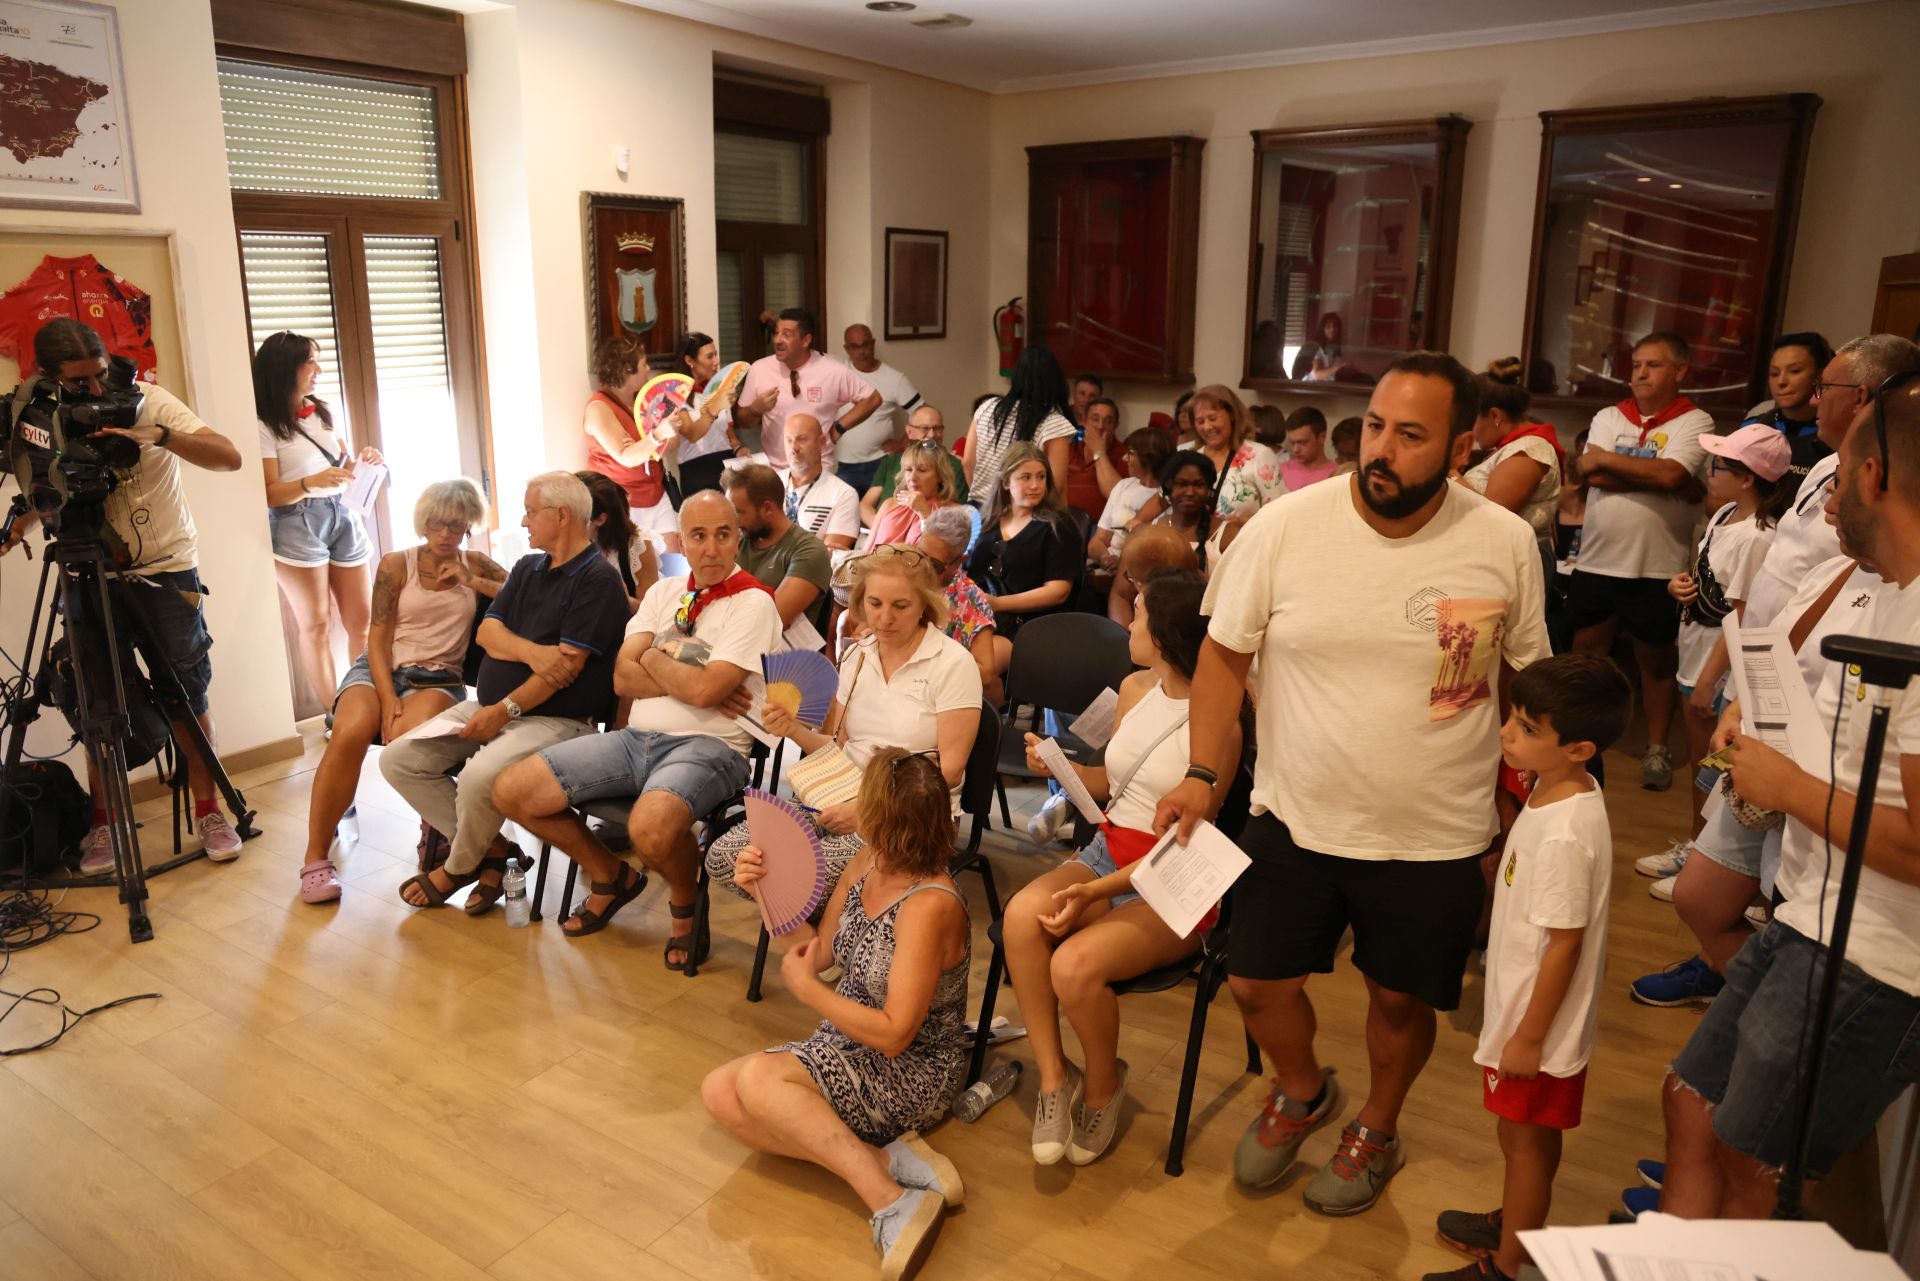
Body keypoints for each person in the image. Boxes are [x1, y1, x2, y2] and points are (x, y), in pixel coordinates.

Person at [1157, 352, 1550, 1218]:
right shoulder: (1287, 526)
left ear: (1458, 449)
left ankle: (1378, 1122)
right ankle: (1302, 1089)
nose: (1383, 448)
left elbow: (1525, 676)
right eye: (1375, 425)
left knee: (1398, 1000)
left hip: (1434, 829)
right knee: (1256, 981)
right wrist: (1198, 773)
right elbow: (1223, 655)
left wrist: (1538, 803)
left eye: (1412, 436)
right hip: (1294, 813)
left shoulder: (1502, 542)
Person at [1661, 374, 1920, 1221]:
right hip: (1814, 909)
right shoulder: (1881, 585)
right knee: (1691, 1102)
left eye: (1840, 474)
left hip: (1875, 954)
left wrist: (1788, 787)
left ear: (1877, 476)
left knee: (1756, 1163)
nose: (1825, 493)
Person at [1626, 335, 1920, 1009]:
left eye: (1827, 386)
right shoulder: (1824, 479)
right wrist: (1741, 695)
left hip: (1817, 763)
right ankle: (1746, 994)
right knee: (1708, 894)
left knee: (1775, 904)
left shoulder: (1898, 587)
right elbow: (1793, 599)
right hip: (1773, 724)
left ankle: (1759, 1010)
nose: (1813, 395)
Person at [701, 749, 971, 1280]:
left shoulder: (930, 904)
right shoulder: (867, 861)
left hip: (913, 1069)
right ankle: (884, 1160)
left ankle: (891, 1200)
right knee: (719, 1093)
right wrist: (764, 891)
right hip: (847, 1040)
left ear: (877, 818)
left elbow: (895, 1036)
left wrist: (811, 995)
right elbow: (817, 954)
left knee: (757, 1081)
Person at [1005, 568, 1235, 1167]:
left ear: (1161, 634)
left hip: (1173, 877)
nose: (1127, 623)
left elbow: (1188, 840)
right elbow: (1115, 784)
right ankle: (1055, 1078)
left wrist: (1092, 893)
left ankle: (1104, 1083)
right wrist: (1059, 767)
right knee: (1021, 914)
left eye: (1136, 615)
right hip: (1111, 850)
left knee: (1074, 966)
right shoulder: (1133, 689)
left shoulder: (1222, 723)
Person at [491, 489, 783, 960]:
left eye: (723, 535)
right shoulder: (666, 592)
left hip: (710, 746)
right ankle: (611, 874)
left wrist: (651, 656)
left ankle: (686, 901)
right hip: (634, 740)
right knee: (511, 790)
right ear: (681, 541)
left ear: (737, 540)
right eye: (699, 536)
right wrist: (684, 675)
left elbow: (705, 694)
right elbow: (622, 676)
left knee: (650, 830)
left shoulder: (753, 602)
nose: (711, 548)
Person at [3, 319, 247, 868]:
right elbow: (49, 485)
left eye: (100, 374)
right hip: (89, 575)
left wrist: (157, 435)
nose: (94, 390)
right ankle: (105, 823)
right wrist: (21, 523)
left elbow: (228, 456)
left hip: (165, 571)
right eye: (79, 381)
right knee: (98, 703)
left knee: (185, 695)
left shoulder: (150, 399)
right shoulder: (42, 413)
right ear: (50, 376)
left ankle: (210, 810)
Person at [1425, 655, 1630, 1281]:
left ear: (1580, 748)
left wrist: (1530, 1036)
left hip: (1537, 1027)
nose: (1508, 735)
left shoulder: (1565, 831)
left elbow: (1565, 944)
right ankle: (1518, 1220)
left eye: (1527, 729)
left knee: (1525, 1143)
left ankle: (1509, 1263)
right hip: (1524, 1012)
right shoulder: (1556, 790)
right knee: (1522, 1140)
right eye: (1512, 719)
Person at [380, 472, 631, 912]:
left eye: (531, 511)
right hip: (495, 707)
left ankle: (459, 867)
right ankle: (494, 850)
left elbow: (564, 672)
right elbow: (489, 634)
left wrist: (505, 709)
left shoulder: (597, 579)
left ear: (562, 515)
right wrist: (534, 654)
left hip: (557, 722)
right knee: (399, 759)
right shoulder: (529, 567)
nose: (523, 520)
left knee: (480, 776)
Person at [705, 543, 980, 899]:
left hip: (913, 813)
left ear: (924, 606)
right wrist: (792, 730)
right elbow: (839, 748)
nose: (884, 618)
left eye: (900, 606)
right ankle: (828, 924)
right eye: (874, 604)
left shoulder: (953, 664)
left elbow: (950, 773)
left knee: (793, 875)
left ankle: (829, 930)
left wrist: (868, 811)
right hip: (841, 794)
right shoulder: (857, 657)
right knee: (725, 856)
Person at [296, 480, 504, 904]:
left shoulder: (477, 563)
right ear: (423, 522)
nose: (444, 533)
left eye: (454, 523)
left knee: (412, 745)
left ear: (468, 523)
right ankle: (316, 859)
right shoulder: (396, 564)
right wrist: (388, 696)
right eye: (436, 523)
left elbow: (527, 598)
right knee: (349, 732)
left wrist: (473, 581)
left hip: (440, 678)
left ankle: (437, 828)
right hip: (379, 671)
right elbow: (377, 636)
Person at [1563, 331, 1714, 791]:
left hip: (1658, 566)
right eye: (1637, 366)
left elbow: (1673, 473)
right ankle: (1578, 737)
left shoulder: (1696, 421)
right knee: (1587, 653)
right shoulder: (1610, 415)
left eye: (1653, 365)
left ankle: (1657, 749)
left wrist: (1611, 463)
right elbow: (1588, 471)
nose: (1641, 373)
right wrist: (1663, 478)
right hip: (1597, 560)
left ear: (1680, 371)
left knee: (1656, 662)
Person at [1669, 425, 1788, 838]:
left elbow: (1742, 615)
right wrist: (1680, 586)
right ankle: (1692, 840)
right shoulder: (1722, 514)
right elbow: (1711, 580)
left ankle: (1702, 847)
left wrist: (1708, 681)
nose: (1709, 472)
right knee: (1697, 757)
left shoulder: (1758, 537)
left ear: (1747, 477)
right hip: (1695, 654)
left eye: (1717, 465)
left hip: (1719, 673)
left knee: (1713, 767)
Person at [252, 330, 382, 704]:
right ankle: (335, 712)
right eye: (310, 361)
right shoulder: (263, 424)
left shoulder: (322, 412)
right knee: (316, 625)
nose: (318, 370)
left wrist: (365, 461)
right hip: (296, 522)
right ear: (285, 369)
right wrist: (310, 483)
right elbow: (269, 493)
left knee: (362, 621)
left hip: (343, 514)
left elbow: (343, 466)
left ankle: (366, 702)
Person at [967, 443, 1083, 671]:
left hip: (1030, 624)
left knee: (975, 665)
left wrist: (998, 604)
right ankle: (995, 701)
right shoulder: (987, 519)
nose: (1035, 485)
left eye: (1041, 477)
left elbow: (1058, 592)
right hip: (981, 617)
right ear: (1005, 482)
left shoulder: (1058, 525)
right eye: (1026, 477)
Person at [734, 308, 879, 471]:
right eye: (776, 333)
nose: (778, 340)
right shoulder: (759, 369)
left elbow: (872, 398)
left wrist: (839, 427)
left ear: (806, 340)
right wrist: (755, 410)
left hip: (818, 468)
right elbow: (744, 422)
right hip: (774, 470)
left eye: (787, 334)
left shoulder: (831, 370)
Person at [583, 332, 679, 552]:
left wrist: (647, 443)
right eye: (644, 364)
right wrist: (655, 437)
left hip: (656, 491)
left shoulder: (642, 402)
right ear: (627, 369)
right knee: (635, 567)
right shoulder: (599, 408)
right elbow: (626, 457)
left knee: (674, 561)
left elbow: (670, 445)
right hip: (623, 501)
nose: (648, 369)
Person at [728, 462, 834, 642]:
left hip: (779, 662)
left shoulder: (810, 550)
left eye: (739, 513)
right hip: (733, 644)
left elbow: (768, 620)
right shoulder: (738, 540)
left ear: (768, 509)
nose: (733, 522)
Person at [1461, 360, 1562, 547]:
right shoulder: (1512, 447)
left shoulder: (1530, 451)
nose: (1469, 430)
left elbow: (1492, 516)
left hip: (1517, 555)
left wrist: (1450, 471)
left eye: (1471, 419)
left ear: (1495, 416)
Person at [962, 345, 1076, 504]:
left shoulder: (987, 406)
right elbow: (1055, 487)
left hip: (977, 510)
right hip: (1022, 516)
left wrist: (985, 498)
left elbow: (968, 462)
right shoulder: (1054, 424)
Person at [920, 505, 1003, 704]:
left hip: (938, 694)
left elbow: (986, 673)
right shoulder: (906, 572)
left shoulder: (970, 599)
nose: (923, 569)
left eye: (936, 565)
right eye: (920, 555)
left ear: (959, 561)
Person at [833, 323, 922, 496]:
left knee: (882, 514)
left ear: (873, 344)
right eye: (855, 346)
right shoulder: (837, 369)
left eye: (866, 344)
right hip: (841, 464)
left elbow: (921, 412)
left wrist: (902, 443)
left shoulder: (894, 379)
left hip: (880, 463)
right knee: (843, 517)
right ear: (847, 348)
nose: (862, 351)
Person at [1740, 331, 1833, 497]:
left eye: (1795, 371)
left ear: (1821, 375)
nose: (1781, 382)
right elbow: (1718, 499)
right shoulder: (1753, 428)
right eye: (1774, 373)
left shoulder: (1836, 437)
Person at [661, 330, 741, 498]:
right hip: (697, 471)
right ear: (690, 361)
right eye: (709, 357)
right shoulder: (673, 393)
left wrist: (739, 448)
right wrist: (715, 408)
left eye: (716, 355)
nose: (716, 362)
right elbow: (692, 433)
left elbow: (729, 432)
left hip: (727, 464)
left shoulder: (718, 387)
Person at [1189, 383, 1283, 522]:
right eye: (1200, 421)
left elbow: (1280, 511)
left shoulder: (1259, 456)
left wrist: (1243, 522)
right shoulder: (1190, 458)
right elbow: (1163, 497)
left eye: (1213, 418)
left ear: (1232, 415)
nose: (1207, 427)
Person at [862, 405, 967, 523]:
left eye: (937, 428)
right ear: (909, 432)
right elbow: (865, 504)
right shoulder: (891, 461)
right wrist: (880, 525)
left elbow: (957, 515)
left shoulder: (954, 464)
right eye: (925, 428)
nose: (932, 435)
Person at [1087, 426, 1173, 570]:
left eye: (1131, 453)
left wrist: (1122, 565)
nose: (1124, 458)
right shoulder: (1123, 486)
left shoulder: (1173, 494)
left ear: (1149, 458)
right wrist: (1106, 559)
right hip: (1109, 568)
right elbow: (1097, 541)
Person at [575, 469, 658, 610]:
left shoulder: (637, 545)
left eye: (577, 516)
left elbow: (651, 611)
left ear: (600, 519)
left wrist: (622, 598)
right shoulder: (571, 543)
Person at [781, 413, 861, 551]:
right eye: (788, 440)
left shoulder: (844, 494)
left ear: (822, 442)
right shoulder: (766, 483)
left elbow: (827, 557)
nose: (794, 447)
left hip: (810, 571)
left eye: (802, 439)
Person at [1106, 521, 1198, 629]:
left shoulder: (1150, 612)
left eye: (1130, 577)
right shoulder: (1190, 601)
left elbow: (1142, 640)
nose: (1131, 626)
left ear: (1140, 583)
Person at [869, 440, 956, 548]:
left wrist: (924, 513)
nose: (912, 477)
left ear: (940, 475)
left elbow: (938, 555)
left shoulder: (954, 513)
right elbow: (867, 550)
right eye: (908, 470)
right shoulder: (889, 504)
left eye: (922, 470)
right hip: (875, 563)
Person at [1065, 390, 1128, 523]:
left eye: (1108, 421)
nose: (1100, 426)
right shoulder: (1068, 450)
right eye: (1095, 419)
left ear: (1116, 426)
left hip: (1099, 529)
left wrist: (1099, 452)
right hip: (1062, 523)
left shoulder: (1124, 455)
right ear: (1083, 422)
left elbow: (1118, 498)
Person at [1280, 407, 1337, 490]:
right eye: (1292, 443)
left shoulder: (1336, 475)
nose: (1295, 449)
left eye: (1302, 442)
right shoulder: (1281, 471)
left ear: (1322, 437)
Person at [1292, 312, 1345, 381]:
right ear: (1323, 329)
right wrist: (1338, 368)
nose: (1332, 330)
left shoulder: (1337, 348)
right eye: (1328, 326)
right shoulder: (1315, 347)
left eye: (1335, 326)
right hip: (1312, 386)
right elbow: (1317, 373)